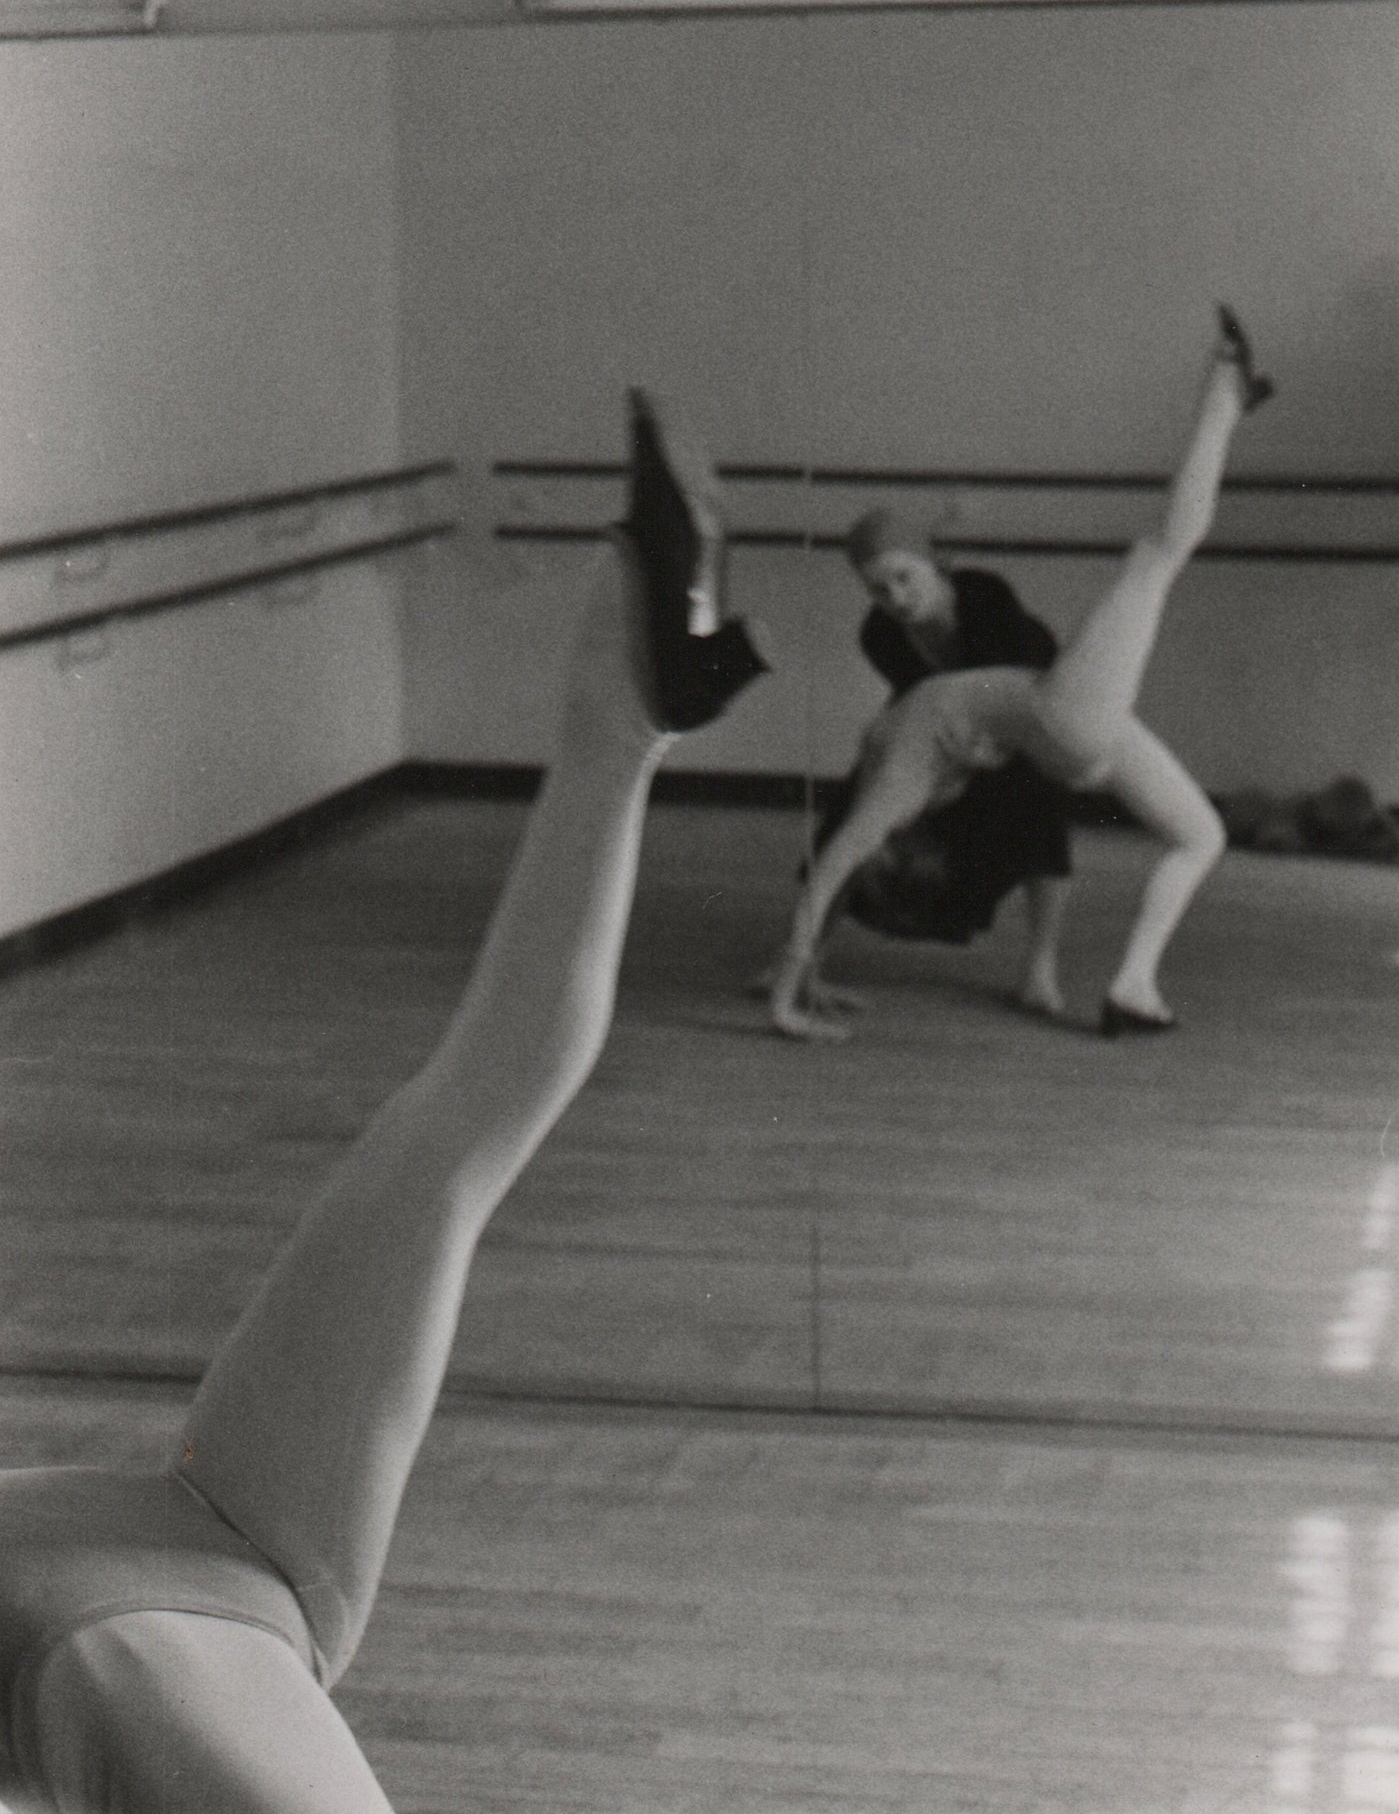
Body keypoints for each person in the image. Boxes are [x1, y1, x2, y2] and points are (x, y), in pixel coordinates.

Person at [0, 391, 767, 1813]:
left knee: (468, 1121)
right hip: (214, 1521)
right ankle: (631, 689)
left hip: (129, 1629)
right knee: (467, 1113)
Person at [768, 308, 1272, 1042]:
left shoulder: (902, 756)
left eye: (892, 853)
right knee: (1156, 556)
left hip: (1067, 721)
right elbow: (838, 858)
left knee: (1202, 833)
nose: (895, 844)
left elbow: (835, 857)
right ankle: (1222, 394)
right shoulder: (908, 755)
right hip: (1063, 722)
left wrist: (792, 982)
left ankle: (1134, 987)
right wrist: (795, 978)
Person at [811, 513, 1073, 1017]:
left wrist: (974, 760)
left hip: (1029, 712)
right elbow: (915, 709)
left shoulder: (986, 597)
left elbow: (1011, 692)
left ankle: (1041, 967)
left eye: (906, 578)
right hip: (951, 730)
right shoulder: (880, 635)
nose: (897, 599)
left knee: (1045, 801)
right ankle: (805, 953)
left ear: (937, 565)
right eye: (879, 589)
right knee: (854, 803)